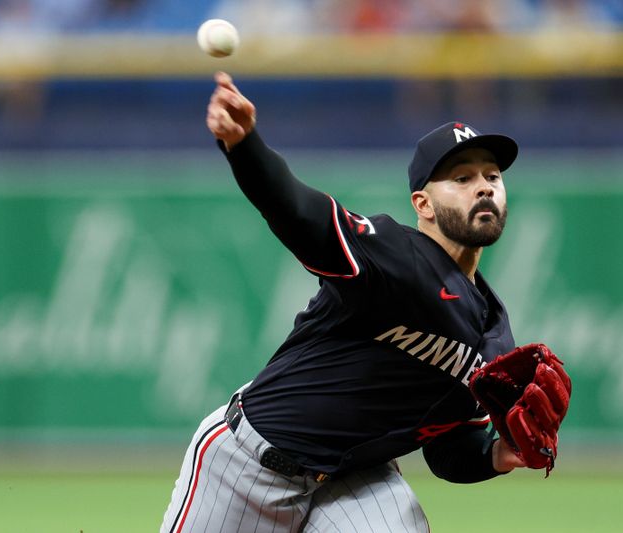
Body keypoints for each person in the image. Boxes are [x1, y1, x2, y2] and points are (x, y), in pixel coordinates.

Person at [161, 71, 527, 533]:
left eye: (493, 175)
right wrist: (245, 146)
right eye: (462, 177)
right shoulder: (395, 256)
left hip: (354, 480)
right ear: (423, 204)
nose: (484, 186)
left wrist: (496, 455)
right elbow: (300, 213)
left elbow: (449, 450)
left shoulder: (495, 334)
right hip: (248, 464)